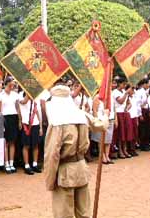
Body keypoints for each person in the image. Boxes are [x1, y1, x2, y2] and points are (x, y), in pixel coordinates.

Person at [44, 83, 108, 218]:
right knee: (84, 213)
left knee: (64, 214)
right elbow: (101, 125)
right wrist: (106, 115)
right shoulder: (81, 115)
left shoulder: (57, 122)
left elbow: (52, 155)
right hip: (81, 168)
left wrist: (50, 181)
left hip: (65, 172)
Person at [0, 76, 20, 174]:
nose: (13, 84)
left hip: (14, 118)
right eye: (12, 82)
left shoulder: (15, 94)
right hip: (5, 118)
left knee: (12, 141)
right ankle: (6, 164)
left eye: (14, 83)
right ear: (7, 83)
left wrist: (19, 120)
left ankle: (11, 163)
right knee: (6, 142)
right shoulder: (0, 95)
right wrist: (1, 122)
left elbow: (18, 108)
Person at [18, 93, 43, 175]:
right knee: (26, 145)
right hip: (26, 124)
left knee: (35, 145)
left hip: (35, 124)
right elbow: (24, 102)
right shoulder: (20, 96)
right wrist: (29, 94)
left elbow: (37, 112)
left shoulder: (36, 99)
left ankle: (35, 164)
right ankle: (26, 165)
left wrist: (40, 126)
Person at [91, 92, 115, 164]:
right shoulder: (97, 97)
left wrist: (115, 118)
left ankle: (107, 156)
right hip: (101, 119)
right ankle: (102, 156)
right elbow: (94, 110)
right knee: (101, 140)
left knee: (108, 139)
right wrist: (96, 121)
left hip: (110, 119)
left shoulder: (111, 95)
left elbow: (114, 108)